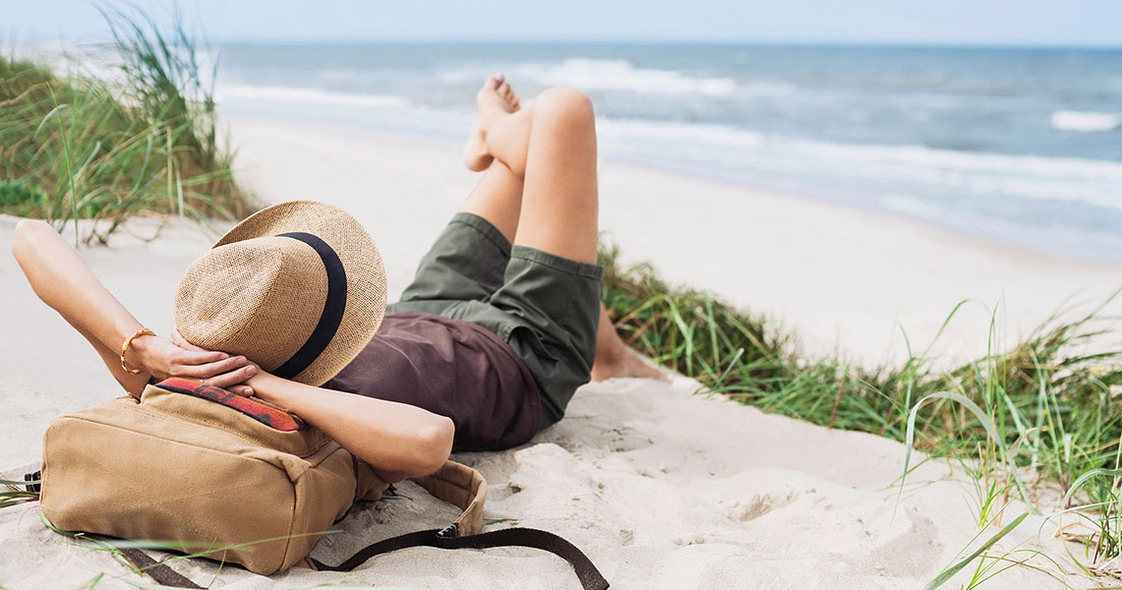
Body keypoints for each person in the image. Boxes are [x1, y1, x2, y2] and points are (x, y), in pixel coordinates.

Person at [12, 74, 665, 485]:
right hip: (522, 351)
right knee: (565, 111)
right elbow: (429, 440)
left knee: (539, 157)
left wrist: (142, 345)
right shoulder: (287, 422)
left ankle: (504, 148)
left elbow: (30, 238)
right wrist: (270, 388)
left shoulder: (180, 376)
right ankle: (495, 134)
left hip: (414, 312)